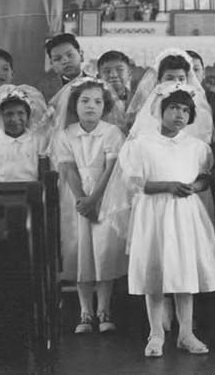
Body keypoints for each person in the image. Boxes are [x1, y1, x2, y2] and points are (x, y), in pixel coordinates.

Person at [119, 82, 215, 357]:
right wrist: (167, 186)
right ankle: (156, 333)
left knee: (183, 270)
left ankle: (186, 333)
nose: (179, 114)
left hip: (184, 213)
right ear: (160, 110)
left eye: (185, 110)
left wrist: (196, 186)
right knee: (155, 272)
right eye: (174, 108)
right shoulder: (141, 145)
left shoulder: (197, 146)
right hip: (154, 212)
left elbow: (205, 175)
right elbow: (135, 183)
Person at [49, 78, 127, 333]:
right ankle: (85, 312)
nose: (91, 106)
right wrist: (82, 199)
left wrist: (95, 200)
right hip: (75, 196)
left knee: (103, 251)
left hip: (107, 194)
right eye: (84, 101)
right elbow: (68, 168)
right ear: (75, 104)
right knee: (81, 252)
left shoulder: (112, 132)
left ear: (104, 106)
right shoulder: (65, 134)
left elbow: (111, 168)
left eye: (97, 101)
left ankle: (105, 310)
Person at [0, 85, 48, 182]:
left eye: (21, 113)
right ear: (0, 116)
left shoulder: (39, 141)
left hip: (33, 192)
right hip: (2, 194)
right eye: (9, 114)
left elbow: (44, 177)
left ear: (28, 115)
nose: (15, 119)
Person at [186, 50, 215, 142]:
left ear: (203, 73)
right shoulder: (170, 97)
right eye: (187, 70)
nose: (191, 75)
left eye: (196, 69)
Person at [38, 33, 88, 104]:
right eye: (58, 59)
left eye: (70, 55)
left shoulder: (97, 84)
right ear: (52, 65)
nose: (65, 61)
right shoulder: (44, 89)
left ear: (81, 56)